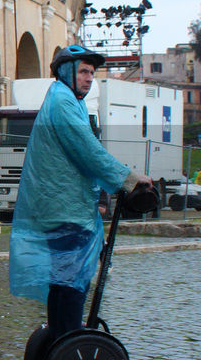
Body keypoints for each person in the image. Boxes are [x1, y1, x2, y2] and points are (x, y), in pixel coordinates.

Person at [9, 45, 152, 340]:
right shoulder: (62, 101)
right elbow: (89, 152)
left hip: (61, 208)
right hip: (66, 211)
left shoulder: (65, 100)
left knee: (63, 283)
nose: (89, 79)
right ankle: (71, 342)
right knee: (72, 284)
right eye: (84, 71)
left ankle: (61, 340)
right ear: (65, 71)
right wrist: (131, 180)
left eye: (92, 73)